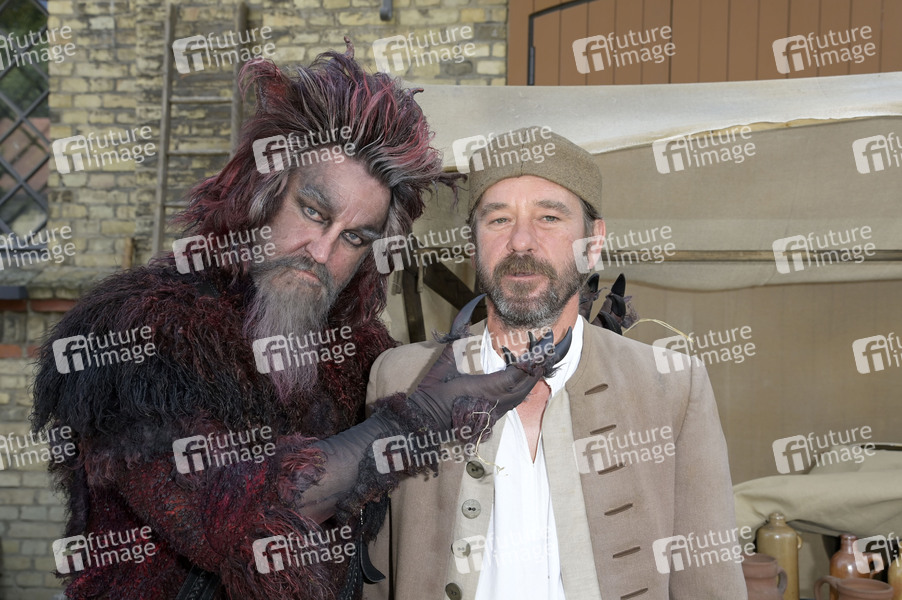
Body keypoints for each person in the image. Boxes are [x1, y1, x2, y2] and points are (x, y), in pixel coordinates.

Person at [31, 47, 559, 600]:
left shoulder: (356, 351)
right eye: (313, 211)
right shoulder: (137, 328)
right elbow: (237, 513)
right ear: (262, 193)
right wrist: (415, 422)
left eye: (354, 237)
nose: (322, 252)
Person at [364, 127, 748, 599]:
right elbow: (373, 575)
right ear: (473, 243)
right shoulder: (399, 378)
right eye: (499, 219)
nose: (521, 242)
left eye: (549, 217)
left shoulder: (672, 387)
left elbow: (708, 581)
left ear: (593, 241)